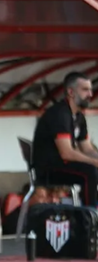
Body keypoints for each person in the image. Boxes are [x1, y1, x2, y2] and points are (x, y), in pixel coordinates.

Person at [32, 72, 98, 207]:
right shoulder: (60, 114)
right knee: (91, 172)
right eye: (85, 90)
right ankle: (89, 220)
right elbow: (66, 152)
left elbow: (87, 148)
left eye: (91, 90)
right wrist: (94, 162)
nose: (90, 95)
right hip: (48, 171)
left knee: (92, 168)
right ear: (71, 92)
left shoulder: (79, 116)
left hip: (63, 166)